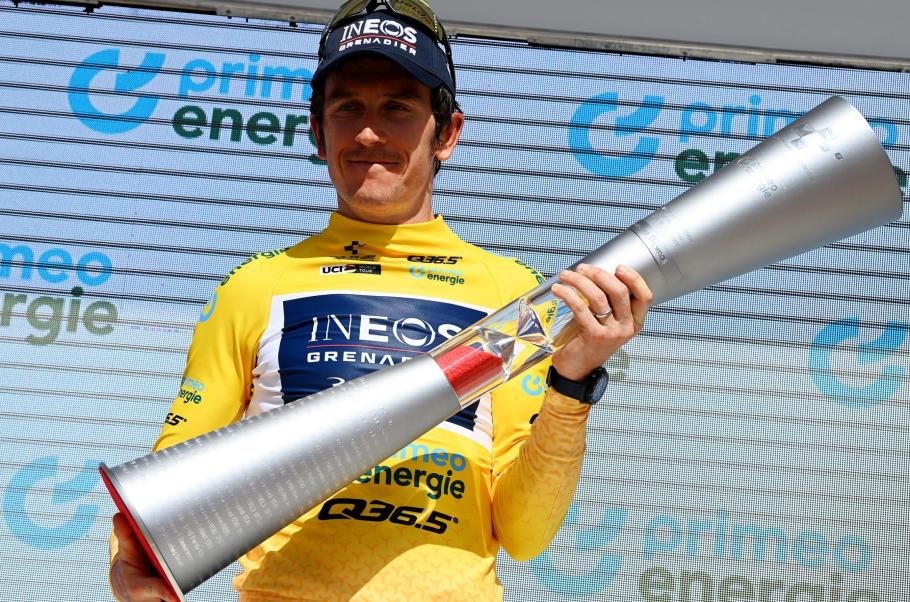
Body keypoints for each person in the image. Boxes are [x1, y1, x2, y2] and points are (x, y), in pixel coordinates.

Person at [108, 1, 653, 600]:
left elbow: (524, 532)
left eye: (397, 107)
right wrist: (135, 567)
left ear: (446, 133)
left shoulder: (514, 294)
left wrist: (572, 385)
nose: (369, 132)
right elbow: (164, 493)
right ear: (318, 131)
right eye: (348, 108)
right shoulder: (257, 285)